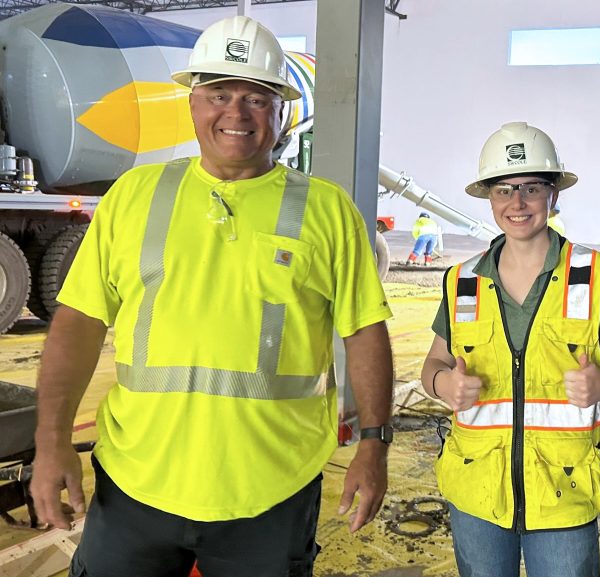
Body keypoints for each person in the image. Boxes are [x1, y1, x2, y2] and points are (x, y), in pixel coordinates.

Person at [30, 15, 395, 577]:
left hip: (271, 488)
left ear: (282, 109)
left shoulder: (327, 211)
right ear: (192, 101)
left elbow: (365, 330)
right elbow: (78, 321)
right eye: (219, 94)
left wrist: (373, 445)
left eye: (256, 97)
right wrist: (51, 441)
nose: (236, 113)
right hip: (135, 482)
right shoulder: (134, 195)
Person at [420, 121, 600, 577]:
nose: (517, 203)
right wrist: (442, 383)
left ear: (554, 195)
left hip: (563, 492)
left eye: (532, 187)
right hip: (476, 490)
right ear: (488, 197)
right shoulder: (462, 281)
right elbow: (433, 363)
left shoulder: (594, 275)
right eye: (504, 189)